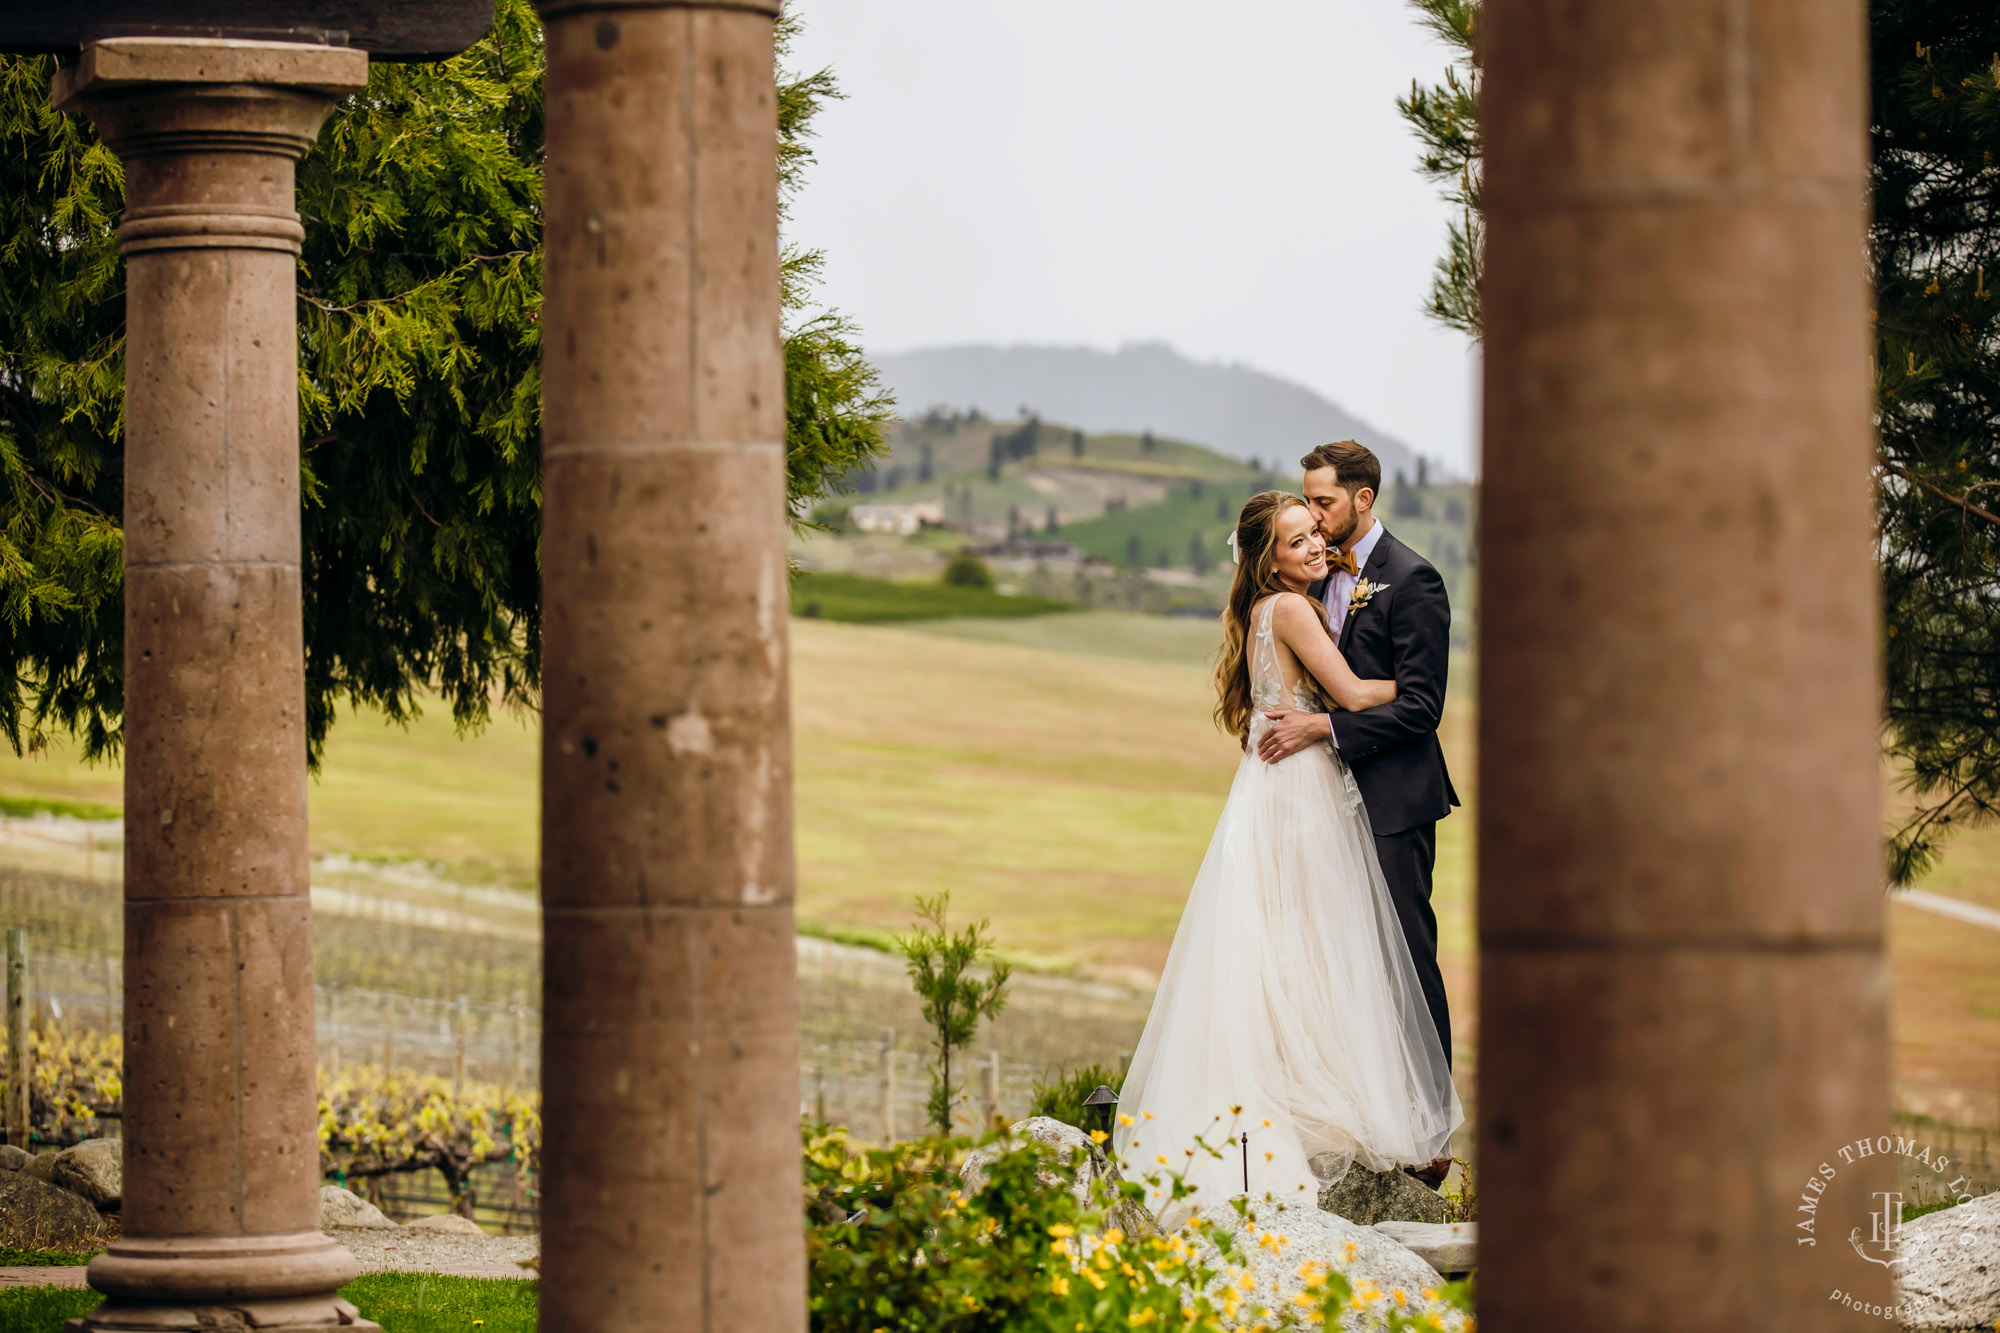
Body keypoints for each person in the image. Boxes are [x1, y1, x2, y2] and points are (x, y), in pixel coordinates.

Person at [1111, 490, 1461, 1223]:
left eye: (1313, 534)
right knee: (1320, 939)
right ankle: (1319, 1095)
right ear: (1268, 557)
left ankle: (1290, 1085)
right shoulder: (1294, 609)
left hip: (1270, 785)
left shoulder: (1262, 610)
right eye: (1297, 539)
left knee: (1279, 941)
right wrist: (1417, 689)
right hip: (1302, 789)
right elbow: (1356, 692)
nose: (1312, 547)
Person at [1257, 440, 1459, 1189]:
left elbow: (1421, 706)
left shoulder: (1413, 580)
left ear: (1364, 499)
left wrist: (1326, 728)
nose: (1312, 513)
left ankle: (1430, 1133)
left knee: (1406, 958)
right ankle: (1365, 1113)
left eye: (1325, 502)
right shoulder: (1317, 578)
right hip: (1328, 807)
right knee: (1347, 963)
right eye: (1306, 501)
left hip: (1394, 799)